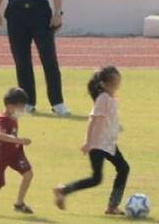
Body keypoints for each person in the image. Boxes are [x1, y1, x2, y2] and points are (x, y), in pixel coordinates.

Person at [53, 66, 130, 215]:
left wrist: (116, 126)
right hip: (98, 145)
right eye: (115, 83)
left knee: (123, 169)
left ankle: (112, 206)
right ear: (104, 85)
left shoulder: (110, 98)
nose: (117, 86)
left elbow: (108, 119)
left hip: (108, 144)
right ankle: (63, 191)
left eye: (118, 83)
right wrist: (87, 142)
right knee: (96, 178)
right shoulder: (103, 99)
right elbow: (92, 121)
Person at [0, 88, 34, 216]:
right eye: (21, 107)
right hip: (0, 156)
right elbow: (2, 136)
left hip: (14, 153)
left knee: (28, 174)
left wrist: (18, 143)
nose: (22, 110)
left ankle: (19, 203)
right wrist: (20, 140)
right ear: (10, 106)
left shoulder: (13, 116)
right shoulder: (2, 119)